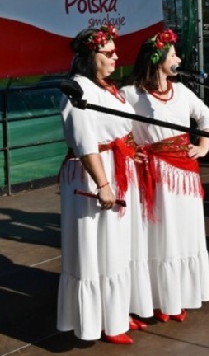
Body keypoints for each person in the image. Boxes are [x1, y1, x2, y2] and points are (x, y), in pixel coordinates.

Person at [57, 24, 149, 345]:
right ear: (89, 55)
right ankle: (98, 322)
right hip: (93, 174)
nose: (115, 56)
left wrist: (132, 154)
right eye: (107, 52)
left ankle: (117, 313)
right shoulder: (77, 89)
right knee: (97, 248)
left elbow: (121, 129)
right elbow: (85, 143)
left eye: (115, 51)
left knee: (117, 247)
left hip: (119, 168)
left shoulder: (109, 87)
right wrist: (103, 183)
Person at [122, 28, 209, 323]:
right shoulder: (132, 94)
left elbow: (206, 117)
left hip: (184, 174)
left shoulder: (182, 91)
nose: (179, 58)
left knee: (184, 234)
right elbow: (111, 125)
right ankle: (160, 300)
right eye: (174, 54)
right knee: (160, 237)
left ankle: (180, 297)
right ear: (157, 58)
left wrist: (203, 145)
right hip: (153, 174)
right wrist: (127, 149)